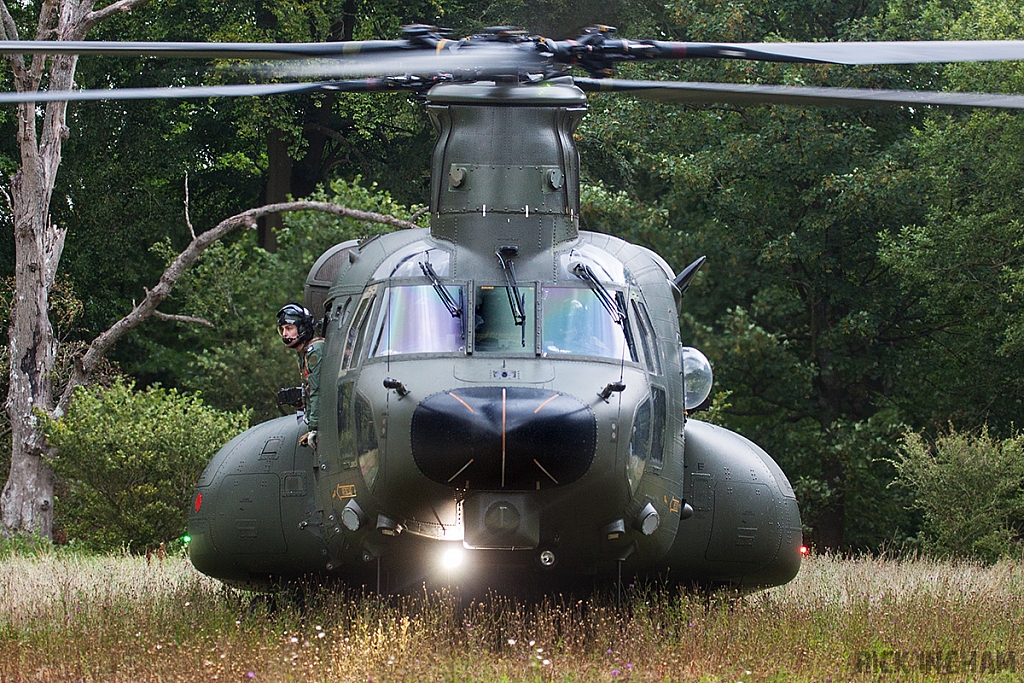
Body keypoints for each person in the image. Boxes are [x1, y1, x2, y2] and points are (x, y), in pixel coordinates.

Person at [277, 303, 324, 449]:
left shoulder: (315, 350)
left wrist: (315, 427)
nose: (285, 334)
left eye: (289, 328)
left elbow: (317, 390)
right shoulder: (303, 354)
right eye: (283, 329)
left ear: (302, 328)